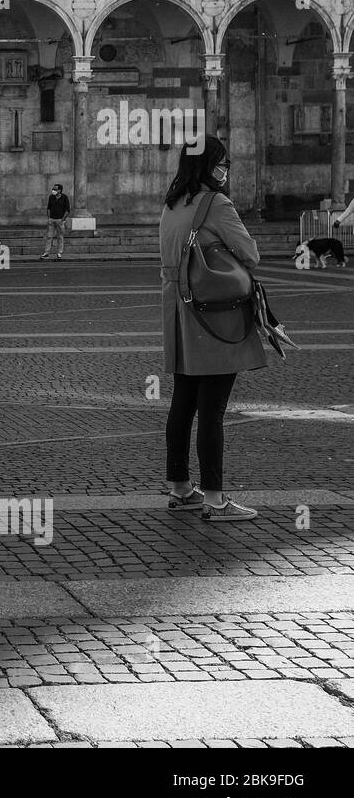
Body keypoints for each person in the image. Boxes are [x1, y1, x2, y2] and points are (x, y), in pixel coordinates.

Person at [160, 137, 265, 523]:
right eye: (223, 163)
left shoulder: (172, 204)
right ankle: (216, 499)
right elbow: (250, 253)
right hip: (213, 316)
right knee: (212, 411)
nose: (226, 169)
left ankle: (181, 488)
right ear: (207, 165)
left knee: (183, 402)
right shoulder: (216, 203)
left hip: (178, 312)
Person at [41, 183, 70, 260]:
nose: (53, 190)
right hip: (51, 220)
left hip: (60, 220)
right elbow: (48, 208)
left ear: (60, 190)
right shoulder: (51, 197)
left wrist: (63, 220)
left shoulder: (64, 197)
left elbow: (67, 210)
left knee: (60, 237)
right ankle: (46, 252)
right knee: (49, 236)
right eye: (53, 189)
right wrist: (49, 218)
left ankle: (59, 252)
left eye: (55, 189)